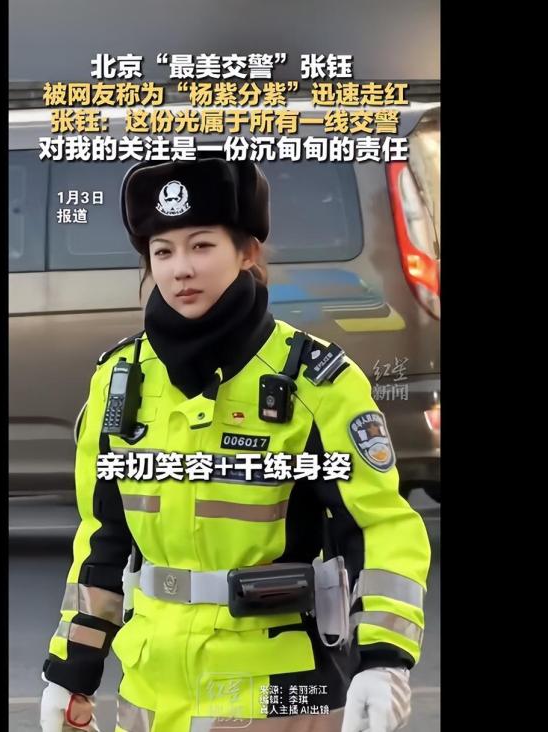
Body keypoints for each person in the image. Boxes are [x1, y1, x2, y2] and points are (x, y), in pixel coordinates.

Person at [39, 156, 431, 732]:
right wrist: (71, 670)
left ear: (247, 252)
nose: (181, 269)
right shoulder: (120, 381)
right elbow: (103, 540)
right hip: (151, 693)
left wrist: (383, 658)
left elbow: (378, 528)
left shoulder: (315, 383)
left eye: (202, 246)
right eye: (163, 252)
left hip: (277, 692)